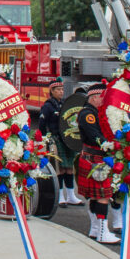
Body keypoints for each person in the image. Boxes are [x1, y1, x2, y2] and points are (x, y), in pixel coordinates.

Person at [75, 82, 119, 244]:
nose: (104, 100)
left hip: (97, 157)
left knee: (96, 196)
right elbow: (95, 136)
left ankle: (95, 229)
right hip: (95, 157)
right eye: (102, 97)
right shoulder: (88, 114)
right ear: (93, 98)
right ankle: (102, 231)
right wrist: (111, 145)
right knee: (103, 197)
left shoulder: (98, 112)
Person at [38, 79, 83, 207]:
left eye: (62, 90)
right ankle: (60, 196)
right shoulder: (48, 106)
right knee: (60, 169)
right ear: (51, 91)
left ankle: (71, 196)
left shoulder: (65, 104)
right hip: (56, 139)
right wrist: (45, 138)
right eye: (58, 90)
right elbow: (42, 123)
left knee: (69, 169)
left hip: (68, 139)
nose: (61, 92)